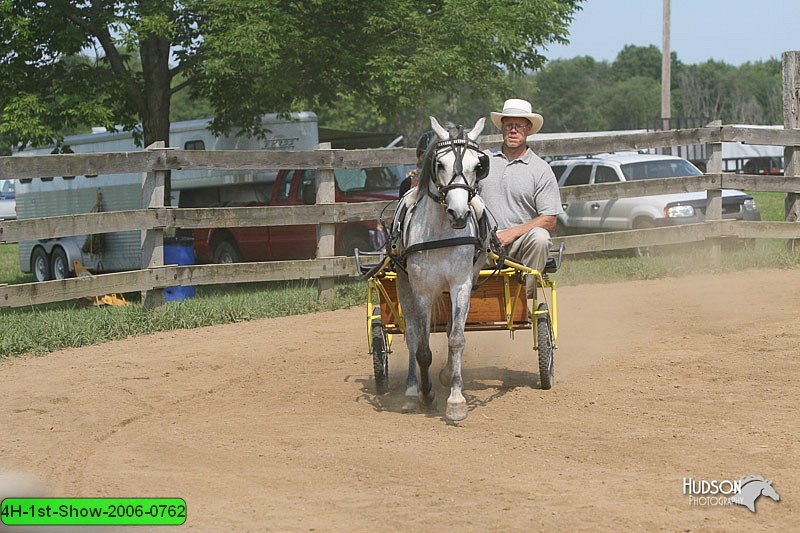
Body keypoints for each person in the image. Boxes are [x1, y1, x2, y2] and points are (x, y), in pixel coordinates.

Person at [479, 98, 564, 298]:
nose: (513, 130)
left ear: (528, 129)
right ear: (502, 128)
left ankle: (525, 296)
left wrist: (512, 233)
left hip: (520, 245)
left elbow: (549, 220)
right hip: (481, 244)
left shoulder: (540, 169)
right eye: (509, 125)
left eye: (519, 126)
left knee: (541, 237)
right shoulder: (482, 160)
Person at [399, 130, 436, 198]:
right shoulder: (408, 184)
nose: (428, 160)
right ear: (419, 157)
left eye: (431, 156)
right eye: (424, 156)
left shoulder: (444, 184)